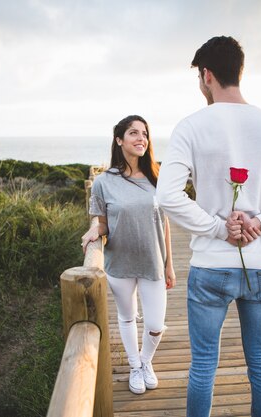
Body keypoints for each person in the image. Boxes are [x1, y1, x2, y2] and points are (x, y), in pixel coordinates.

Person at [155, 36, 261, 417]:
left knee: (204, 364)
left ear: (206, 75)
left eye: (199, 77)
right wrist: (259, 221)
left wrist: (217, 227)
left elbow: (168, 196)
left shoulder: (191, 126)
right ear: (239, 72)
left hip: (211, 266)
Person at [81, 115, 176, 395]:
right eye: (133, 133)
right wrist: (94, 232)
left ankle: (145, 362)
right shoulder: (103, 183)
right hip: (119, 262)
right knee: (127, 317)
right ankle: (135, 366)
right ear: (119, 140)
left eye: (144, 134)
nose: (141, 138)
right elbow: (102, 222)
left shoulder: (156, 176)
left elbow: (165, 222)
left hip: (153, 260)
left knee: (156, 324)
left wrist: (170, 264)